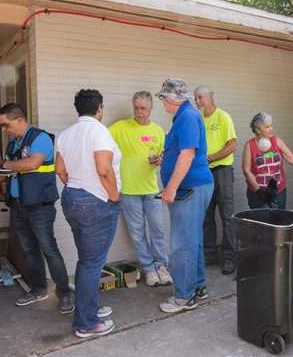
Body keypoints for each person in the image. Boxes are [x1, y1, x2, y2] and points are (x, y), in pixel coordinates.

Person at [0, 103, 72, 314]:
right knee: (30, 250)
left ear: (19, 119)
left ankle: (64, 294)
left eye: (5, 124)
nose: (3, 129)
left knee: (49, 250)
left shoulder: (41, 138)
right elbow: (10, 173)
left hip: (39, 207)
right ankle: (38, 290)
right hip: (18, 206)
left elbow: (31, 164)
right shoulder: (14, 144)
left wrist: (0, 163)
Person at [56, 89, 122, 338]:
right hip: (96, 201)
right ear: (99, 108)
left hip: (71, 197)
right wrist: (115, 199)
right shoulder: (98, 131)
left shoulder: (66, 134)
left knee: (87, 260)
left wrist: (77, 188)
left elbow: (61, 171)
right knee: (93, 263)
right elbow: (104, 171)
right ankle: (86, 323)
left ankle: (89, 308)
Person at [155, 78, 214, 313]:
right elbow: (180, 152)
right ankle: (197, 286)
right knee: (192, 239)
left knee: (182, 243)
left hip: (189, 188)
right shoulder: (184, 116)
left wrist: (170, 187)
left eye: (162, 98)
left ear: (170, 98)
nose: (162, 103)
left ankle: (184, 297)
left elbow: (188, 155)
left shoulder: (187, 117)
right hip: (191, 187)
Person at [108, 91, 172, 287]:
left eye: (143, 108)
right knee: (137, 232)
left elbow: (165, 155)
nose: (139, 111)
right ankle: (148, 269)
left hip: (151, 189)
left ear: (151, 108)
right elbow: (99, 141)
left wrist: (161, 159)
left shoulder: (158, 131)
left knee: (157, 229)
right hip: (128, 190)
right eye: (136, 108)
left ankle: (162, 266)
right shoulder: (120, 127)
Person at [194, 85, 238, 275]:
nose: (198, 101)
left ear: (211, 97)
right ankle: (210, 255)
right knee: (206, 216)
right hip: (203, 173)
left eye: (201, 97)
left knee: (227, 216)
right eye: (196, 98)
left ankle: (230, 258)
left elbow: (232, 146)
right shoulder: (197, 120)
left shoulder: (223, 117)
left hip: (222, 172)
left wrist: (210, 157)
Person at [242, 112, 293, 209]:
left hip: (278, 191)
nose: (271, 129)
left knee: (279, 220)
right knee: (260, 222)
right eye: (267, 127)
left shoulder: (277, 141)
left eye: (271, 125)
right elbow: (246, 170)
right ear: (258, 130)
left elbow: (291, 158)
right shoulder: (250, 145)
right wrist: (258, 190)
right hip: (258, 192)